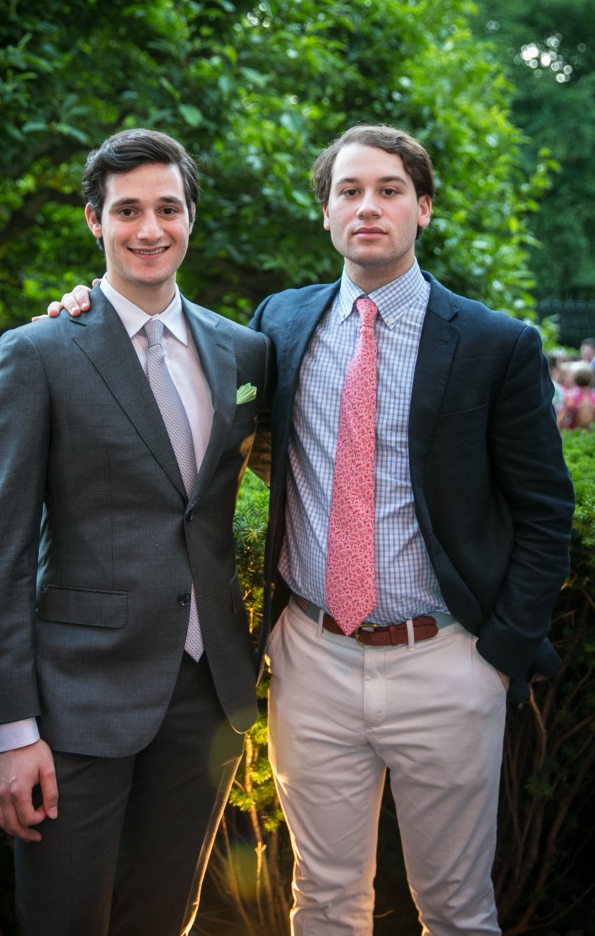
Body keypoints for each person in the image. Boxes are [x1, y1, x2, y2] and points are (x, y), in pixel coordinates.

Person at [49, 123, 574, 936]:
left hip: (445, 658)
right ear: (325, 212)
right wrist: (83, 310)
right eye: (348, 191)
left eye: (390, 190)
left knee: (459, 909)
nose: (368, 207)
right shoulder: (280, 324)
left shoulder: (496, 344)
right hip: (311, 658)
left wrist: (498, 653)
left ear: (424, 208)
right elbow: (182, 373)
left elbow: (544, 512)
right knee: (323, 902)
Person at [0, 128, 272, 936]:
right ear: (94, 220)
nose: (149, 228)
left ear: (191, 216)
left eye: (168, 208)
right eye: (127, 209)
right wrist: (14, 730)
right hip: (77, 699)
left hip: (206, 696)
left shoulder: (245, 351)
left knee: (164, 918)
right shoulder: (38, 352)